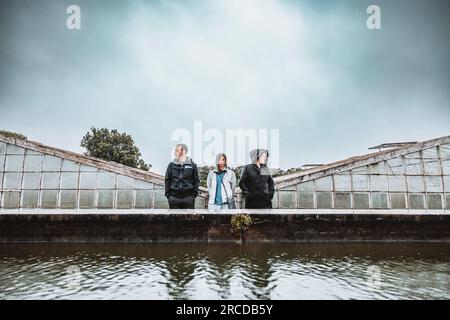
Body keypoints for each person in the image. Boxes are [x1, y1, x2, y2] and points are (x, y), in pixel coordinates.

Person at [165, 143, 200, 209]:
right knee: (173, 219)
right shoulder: (171, 165)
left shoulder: (193, 165)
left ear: (183, 151)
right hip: (174, 198)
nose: (175, 152)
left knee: (188, 219)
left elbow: (196, 180)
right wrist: (169, 196)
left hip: (188, 198)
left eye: (177, 150)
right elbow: (167, 180)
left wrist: (193, 196)